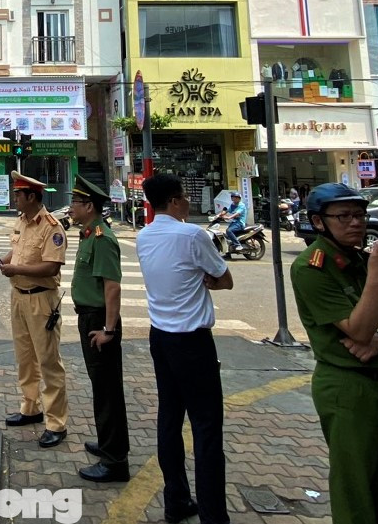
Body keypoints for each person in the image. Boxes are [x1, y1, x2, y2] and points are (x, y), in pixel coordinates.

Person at [291, 183, 378, 524]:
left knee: (377, 483)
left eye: (359, 215)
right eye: (343, 216)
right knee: (354, 488)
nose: (355, 223)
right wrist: (375, 280)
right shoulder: (312, 267)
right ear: (318, 222)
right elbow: (357, 331)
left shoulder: (361, 260)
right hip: (347, 386)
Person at [137, 174, 233, 524]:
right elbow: (224, 277)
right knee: (207, 427)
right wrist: (206, 280)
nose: (189, 203)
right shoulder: (192, 234)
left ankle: (176, 498)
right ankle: (212, 514)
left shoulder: (144, 236)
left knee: (169, 418)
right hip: (192, 342)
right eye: (185, 197)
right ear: (176, 200)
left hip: (160, 337)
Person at [0, 171, 69, 448]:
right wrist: (3, 261)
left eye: (18, 194)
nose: (15, 198)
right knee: (25, 356)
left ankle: (56, 422)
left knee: (48, 361)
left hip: (41, 299)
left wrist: (15, 268)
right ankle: (30, 407)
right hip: (18, 296)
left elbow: (51, 266)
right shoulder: (22, 221)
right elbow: (18, 250)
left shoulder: (51, 226)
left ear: (31, 196)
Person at [69, 175, 130, 483]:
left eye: (75, 202)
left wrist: (108, 328)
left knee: (107, 391)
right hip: (90, 318)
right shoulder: (89, 234)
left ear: (89, 206)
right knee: (101, 387)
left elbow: (112, 288)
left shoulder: (102, 238)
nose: (70, 207)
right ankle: (109, 444)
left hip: (99, 322)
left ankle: (115, 461)